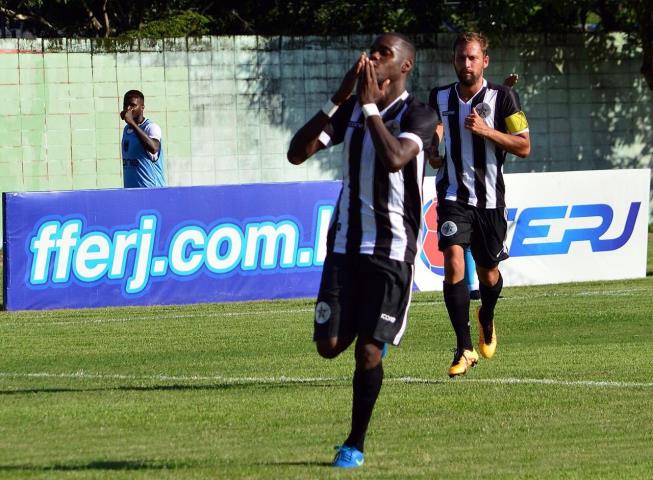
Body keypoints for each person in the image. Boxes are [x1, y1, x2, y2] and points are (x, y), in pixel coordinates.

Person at [287, 33, 436, 468]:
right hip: (345, 246)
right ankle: (372, 330)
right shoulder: (351, 109)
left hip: (392, 251)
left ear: (403, 67)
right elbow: (298, 152)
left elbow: (395, 158)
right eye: (371, 50)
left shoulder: (419, 115)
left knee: (367, 352)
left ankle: (354, 443)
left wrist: (370, 106)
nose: (372, 57)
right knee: (329, 345)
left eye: (383, 53)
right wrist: (341, 95)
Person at [428, 33, 530, 377]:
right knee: (453, 258)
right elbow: (436, 126)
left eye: (472, 58)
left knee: (488, 272)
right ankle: (463, 347)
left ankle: (486, 314)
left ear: (485, 60)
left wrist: (487, 132)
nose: (466, 64)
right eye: (461, 58)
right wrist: (434, 148)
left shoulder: (505, 97)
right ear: (454, 61)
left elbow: (524, 145)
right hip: (453, 196)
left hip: (490, 201)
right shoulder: (439, 95)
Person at [462, 73, 518, 302]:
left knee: (488, 262)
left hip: (491, 194)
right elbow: (486, 105)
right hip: (459, 190)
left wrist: (506, 89)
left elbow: (522, 142)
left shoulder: (506, 106)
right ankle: (471, 286)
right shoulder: (451, 100)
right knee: (459, 244)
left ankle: (487, 299)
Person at [120, 90, 166, 188]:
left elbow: (154, 148)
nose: (128, 109)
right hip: (132, 192)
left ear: (142, 108)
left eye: (132, 105)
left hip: (152, 192)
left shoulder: (151, 127)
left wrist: (132, 123)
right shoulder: (127, 129)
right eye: (125, 105)